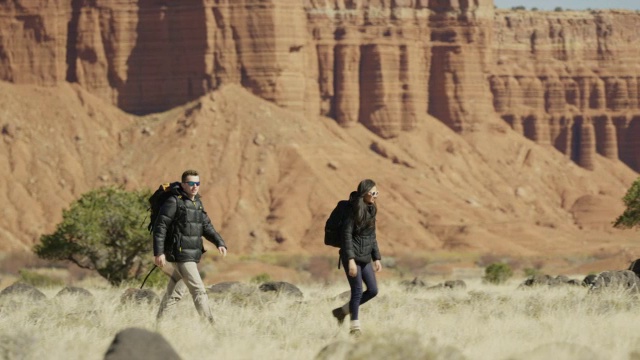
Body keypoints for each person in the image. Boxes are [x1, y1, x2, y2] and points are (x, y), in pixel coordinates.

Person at [153, 169, 227, 324]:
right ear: (183, 184)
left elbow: (207, 226)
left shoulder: (197, 203)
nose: (195, 186)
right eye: (191, 183)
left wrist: (219, 242)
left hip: (192, 254)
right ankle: (210, 326)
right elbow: (161, 227)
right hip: (180, 254)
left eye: (197, 183)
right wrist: (158, 252)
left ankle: (159, 325)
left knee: (174, 294)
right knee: (199, 290)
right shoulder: (174, 201)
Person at [332, 179, 382, 336]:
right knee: (357, 291)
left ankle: (342, 311)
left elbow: (371, 236)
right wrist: (351, 260)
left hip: (365, 256)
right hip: (351, 256)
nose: (376, 196)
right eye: (374, 193)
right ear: (366, 193)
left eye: (377, 193)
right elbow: (346, 236)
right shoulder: (352, 210)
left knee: (373, 290)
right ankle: (355, 328)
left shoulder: (371, 209)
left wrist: (376, 258)